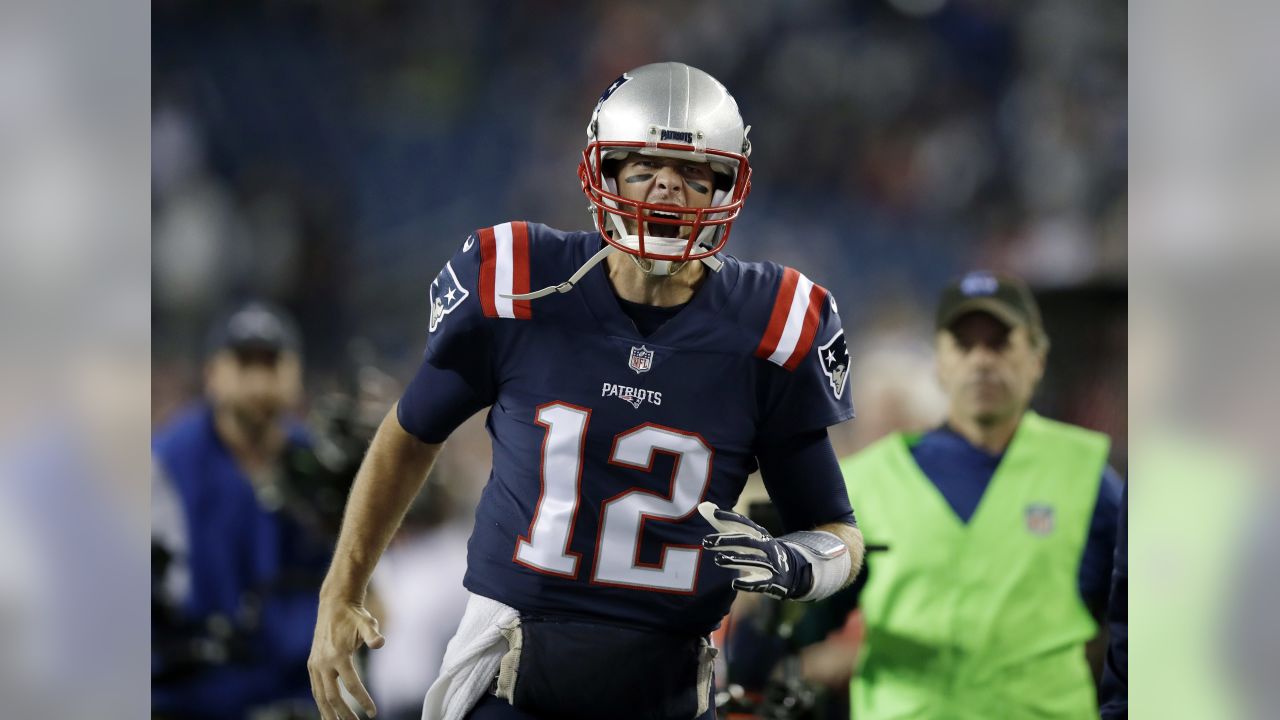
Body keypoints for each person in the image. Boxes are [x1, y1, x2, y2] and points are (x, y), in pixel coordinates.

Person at [308, 62, 867, 720]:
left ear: (728, 186)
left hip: (667, 688)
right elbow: (411, 433)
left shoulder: (771, 327)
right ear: (601, 173)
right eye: (642, 168)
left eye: (693, 173)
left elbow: (840, 534)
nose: (667, 188)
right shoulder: (520, 282)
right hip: (510, 674)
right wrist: (341, 589)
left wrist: (796, 563)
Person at [838, 271, 1124, 719]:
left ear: (1038, 359)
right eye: (964, 345)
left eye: (999, 343)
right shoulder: (866, 481)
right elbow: (805, 623)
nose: (982, 361)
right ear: (939, 363)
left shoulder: (1086, 474)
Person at [153, 302, 333, 719]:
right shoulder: (167, 466)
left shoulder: (320, 467)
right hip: (192, 701)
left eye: (271, 363)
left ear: (296, 374)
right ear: (212, 374)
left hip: (297, 700)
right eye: (243, 362)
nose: (257, 380)